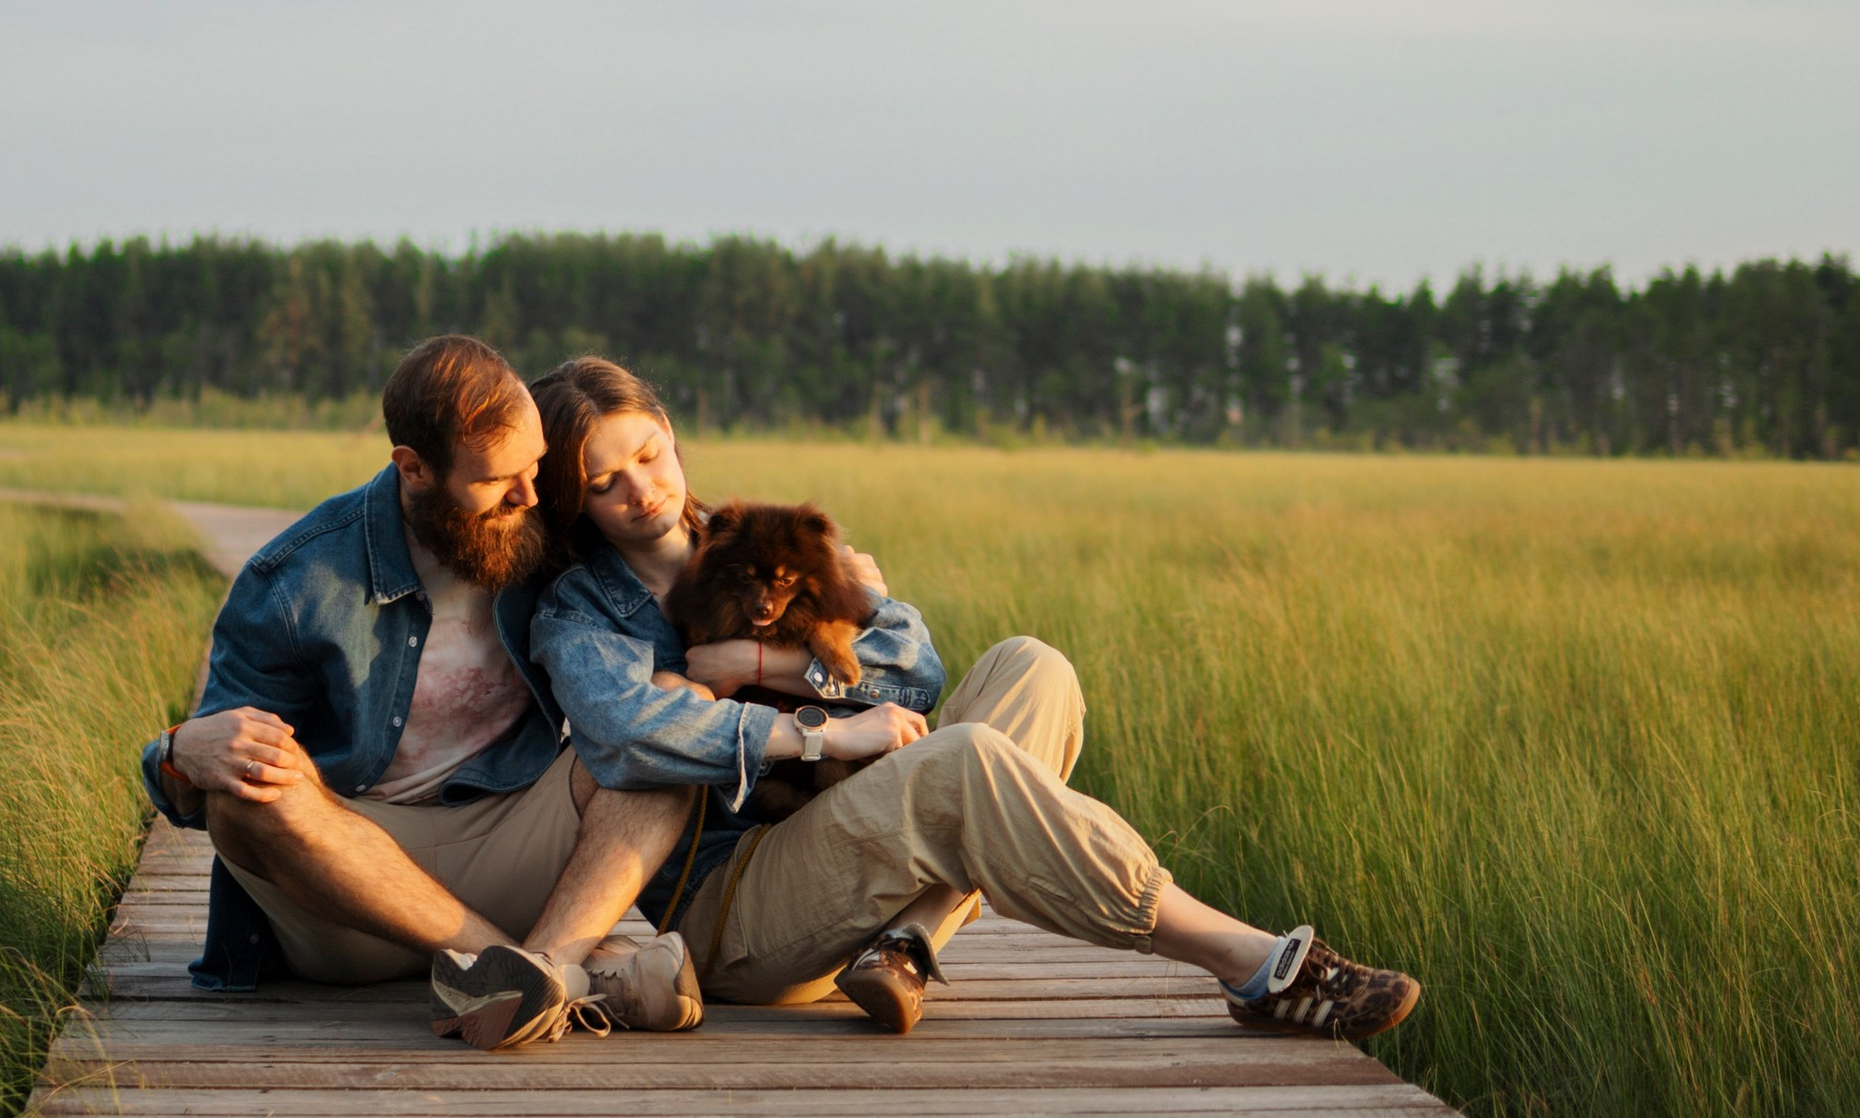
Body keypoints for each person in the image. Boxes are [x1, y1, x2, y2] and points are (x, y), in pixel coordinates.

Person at [526, 355, 1421, 1041]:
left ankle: (908, 942)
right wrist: (820, 735)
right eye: (605, 483)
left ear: (669, 433)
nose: (642, 489)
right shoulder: (580, 610)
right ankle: (1252, 963)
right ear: (574, 501)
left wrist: (750, 660)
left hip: (852, 842)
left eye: (648, 454)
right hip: (741, 911)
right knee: (961, 761)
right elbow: (626, 732)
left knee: (1034, 668)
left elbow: (913, 667)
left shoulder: (760, 536)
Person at [147, 333, 699, 1048]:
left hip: (511, 844)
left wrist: (799, 628)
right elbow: (205, 769)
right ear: (413, 468)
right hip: (354, 893)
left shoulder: (541, 532)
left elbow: (677, 584)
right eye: (497, 480)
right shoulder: (295, 580)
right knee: (246, 791)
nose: (530, 496)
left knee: (668, 716)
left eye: (534, 467)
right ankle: (555, 971)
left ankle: (537, 969)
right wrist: (177, 751)